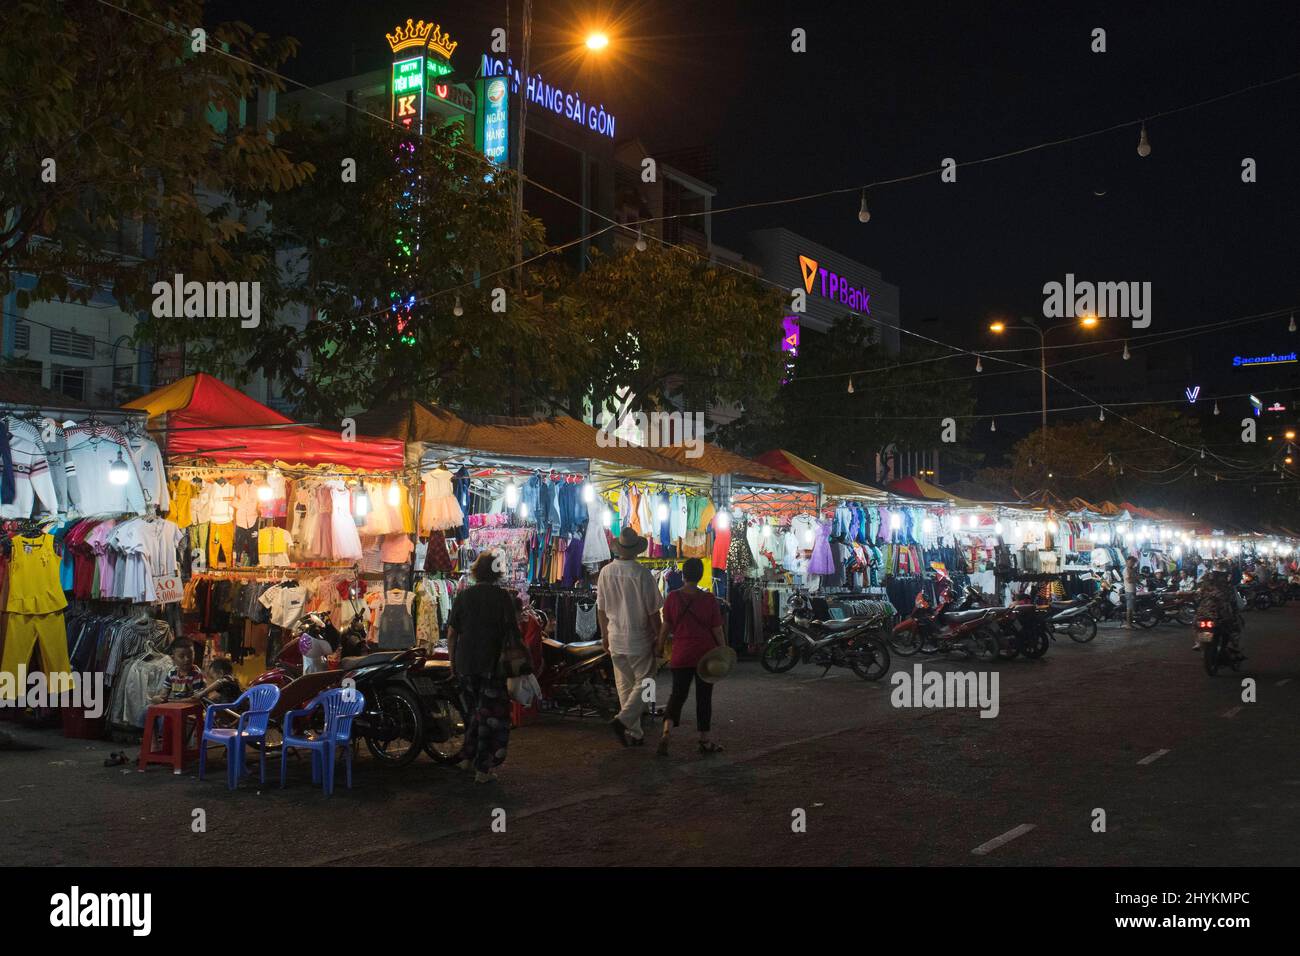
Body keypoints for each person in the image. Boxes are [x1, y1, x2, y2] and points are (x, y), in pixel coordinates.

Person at [446, 550, 520, 783]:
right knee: (491, 717)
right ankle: (482, 768)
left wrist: (452, 662)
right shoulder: (503, 598)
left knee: (473, 714)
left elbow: (451, 634)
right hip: (492, 665)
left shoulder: (464, 596)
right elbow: (512, 632)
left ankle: (468, 758)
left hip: (466, 663)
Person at [596, 527, 663, 747]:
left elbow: (601, 609)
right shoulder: (642, 574)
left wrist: (605, 635)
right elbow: (654, 611)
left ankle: (635, 733)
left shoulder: (606, 572)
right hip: (638, 638)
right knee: (646, 680)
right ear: (636, 550)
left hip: (615, 636)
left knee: (625, 685)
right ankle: (624, 721)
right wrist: (659, 637)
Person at [655, 557, 725, 756]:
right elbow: (717, 629)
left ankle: (666, 731)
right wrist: (724, 651)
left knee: (677, 695)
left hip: (681, 653)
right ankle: (704, 739)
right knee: (704, 697)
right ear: (700, 575)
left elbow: (665, 627)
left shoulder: (672, 598)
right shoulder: (709, 599)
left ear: (683, 575)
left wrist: (659, 647)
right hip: (705, 655)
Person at [1122, 556, 1140, 628]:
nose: (1132, 564)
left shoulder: (1132, 569)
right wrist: (1136, 579)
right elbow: (1129, 581)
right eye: (1130, 562)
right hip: (1129, 591)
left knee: (1131, 608)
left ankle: (1130, 623)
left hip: (1133, 590)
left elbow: (1135, 578)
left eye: (1133, 562)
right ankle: (1128, 625)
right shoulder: (1126, 570)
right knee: (1129, 609)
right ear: (1127, 562)